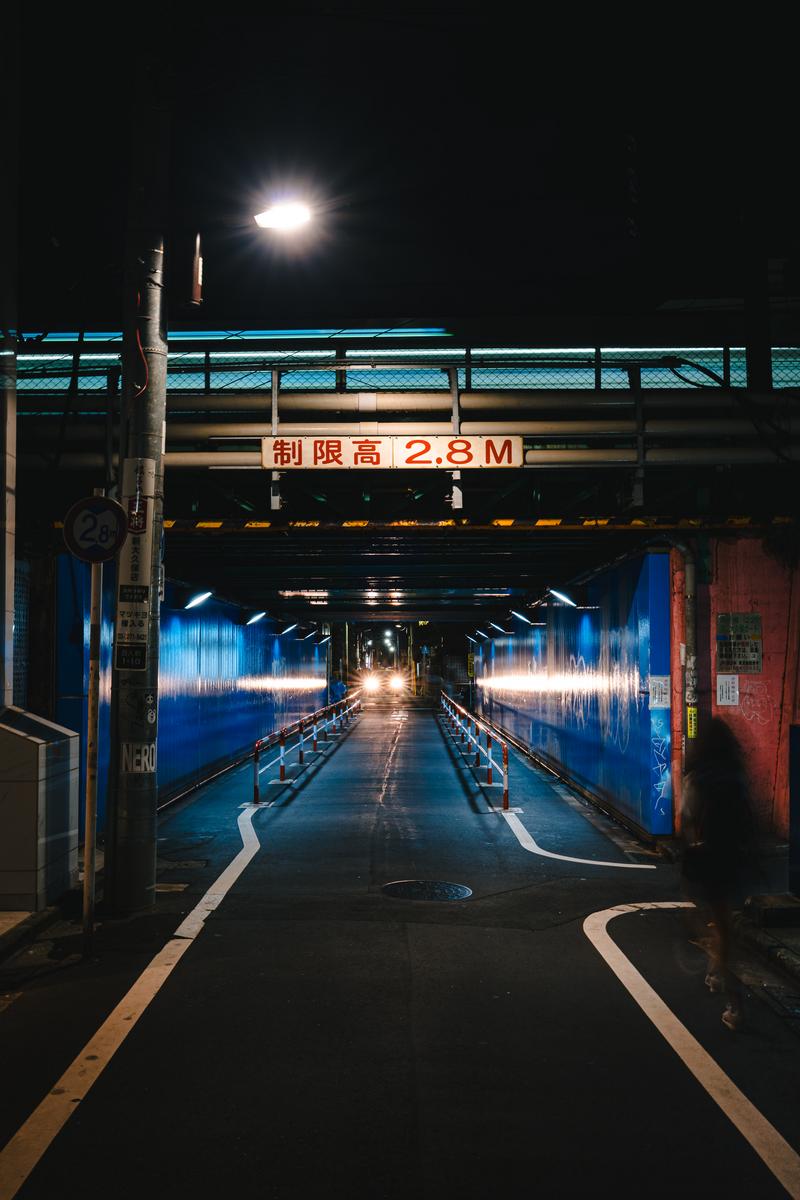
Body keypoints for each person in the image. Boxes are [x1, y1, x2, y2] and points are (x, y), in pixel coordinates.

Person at [681, 717, 755, 1031]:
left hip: (707, 859)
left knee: (718, 926)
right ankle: (714, 971)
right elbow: (748, 820)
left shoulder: (697, 778)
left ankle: (735, 1002)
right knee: (724, 921)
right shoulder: (736, 775)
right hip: (735, 859)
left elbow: (686, 819)